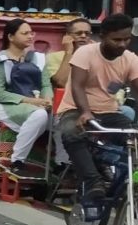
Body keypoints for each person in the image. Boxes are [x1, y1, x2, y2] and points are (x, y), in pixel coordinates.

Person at [57, 13, 138, 206]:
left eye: (126, 39)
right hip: (77, 109)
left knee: (132, 138)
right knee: (71, 133)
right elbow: (77, 86)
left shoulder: (131, 59)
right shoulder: (85, 53)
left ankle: (128, 180)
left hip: (109, 112)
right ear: (102, 36)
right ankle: (93, 181)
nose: (122, 44)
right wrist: (85, 112)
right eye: (116, 40)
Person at [0, 19, 53, 176]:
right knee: (39, 115)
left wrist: (48, 99)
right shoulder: (0, 61)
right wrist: (32, 101)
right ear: (10, 37)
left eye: (31, 33)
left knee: (61, 118)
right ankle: (17, 161)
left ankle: (62, 163)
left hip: (34, 103)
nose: (30, 36)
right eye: (25, 33)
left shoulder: (38, 59)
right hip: (5, 104)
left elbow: (45, 84)